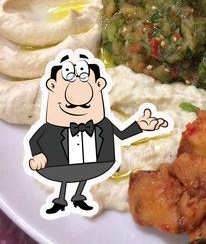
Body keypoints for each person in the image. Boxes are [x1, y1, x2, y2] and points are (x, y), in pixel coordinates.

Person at [26, 51, 168, 215]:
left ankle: (79, 196)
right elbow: (35, 140)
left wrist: (140, 126)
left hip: (93, 163)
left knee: (83, 175)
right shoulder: (51, 127)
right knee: (66, 177)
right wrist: (38, 156)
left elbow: (121, 134)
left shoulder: (103, 123)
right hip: (59, 164)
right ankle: (61, 199)